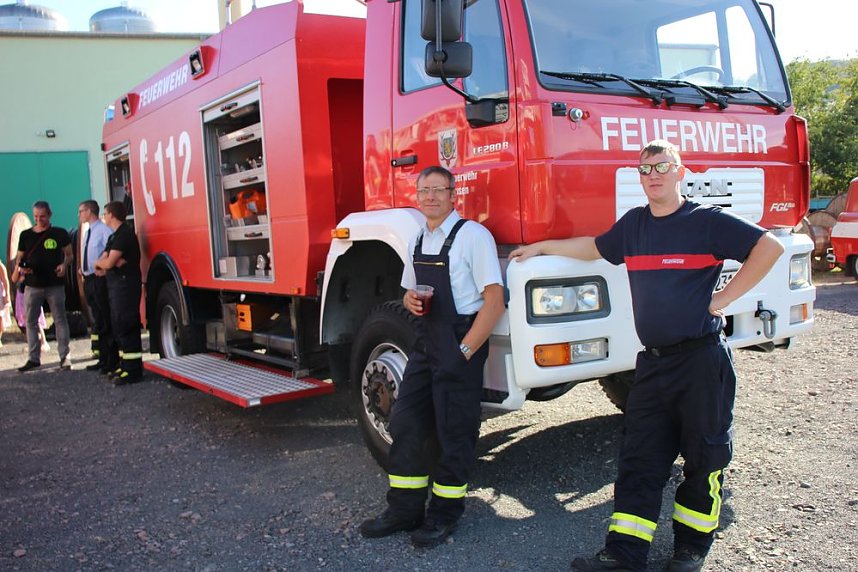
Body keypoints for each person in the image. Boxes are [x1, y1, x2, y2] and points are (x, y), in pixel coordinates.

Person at [509, 140, 784, 572]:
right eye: (645, 169)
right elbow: (594, 248)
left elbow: (769, 247)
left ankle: (690, 548)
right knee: (640, 457)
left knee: (704, 456)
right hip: (652, 365)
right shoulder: (635, 225)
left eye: (661, 166)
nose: (652, 175)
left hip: (701, 361)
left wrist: (723, 299)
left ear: (680, 171)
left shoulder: (705, 222)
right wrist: (544, 247)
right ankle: (624, 554)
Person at [359, 166, 505, 548]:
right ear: (417, 195)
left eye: (438, 190)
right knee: (405, 421)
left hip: (460, 342)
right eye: (424, 190)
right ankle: (405, 509)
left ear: (453, 194)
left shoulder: (473, 236)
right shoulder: (418, 238)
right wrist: (409, 300)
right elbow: (410, 293)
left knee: (454, 432)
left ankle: (444, 514)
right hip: (426, 343)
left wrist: (465, 352)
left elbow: (494, 302)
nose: (430, 197)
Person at [12, 201, 73, 372]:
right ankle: (33, 358)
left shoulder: (59, 233)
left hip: (55, 284)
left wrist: (64, 265)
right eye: (36, 217)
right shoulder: (25, 235)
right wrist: (21, 267)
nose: (39, 220)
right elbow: (19, 259)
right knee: (31, 322)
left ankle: (65, 357)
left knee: (60, 319)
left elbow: (70, 255)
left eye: (42, 217)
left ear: (50, 215)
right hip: (32, 285)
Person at [94, 201, 143, 385]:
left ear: (112, 215)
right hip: (116, 287)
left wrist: (106, 264)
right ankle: (125, 366)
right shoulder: (114, 237)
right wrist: (104, 264)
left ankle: (133, 371)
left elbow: (107, 263)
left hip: (125, 287)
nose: (104, 217)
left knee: (127, 325)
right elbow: (104, 261)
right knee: (118, 325)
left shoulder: (124, 235)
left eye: (105, 214)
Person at [77, 200, 117, 373]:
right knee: (97, 320)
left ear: (90, 211)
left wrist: (101, 267)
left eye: (81, 211)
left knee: (105, 318)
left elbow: (109, 251)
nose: (79, 215)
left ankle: (111, 360)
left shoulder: (103, 231)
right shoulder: (88, 232)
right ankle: (102, 358)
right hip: (88, 279)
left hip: (99, 278)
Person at [0, 260, 11, 347]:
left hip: (0, 295)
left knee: (0, 317)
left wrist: (7, 295)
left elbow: (5, 280)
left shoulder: (1, 266)